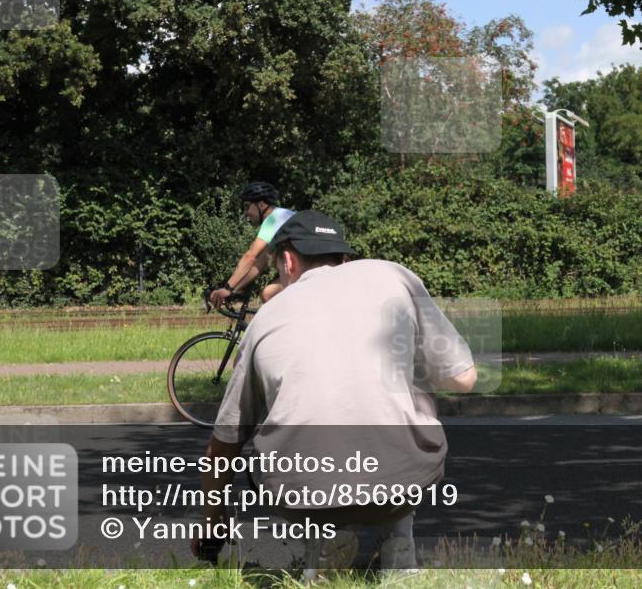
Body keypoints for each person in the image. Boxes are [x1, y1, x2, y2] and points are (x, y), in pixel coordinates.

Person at [192, 210, 478, 576]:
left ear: (288, 261)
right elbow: (464, 379)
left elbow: (222, 446)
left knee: (274, 435)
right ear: (343, 258)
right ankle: (399, 550)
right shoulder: (394, 275)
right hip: (403, 484)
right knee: (406, 391)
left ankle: (321, 543)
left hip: (303, 493)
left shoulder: (265, 319)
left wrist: (212, 525)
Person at [208, 181, 294, 307]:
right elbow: (260, 263)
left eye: (247, 206)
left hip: (310, 269)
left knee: (268, 294)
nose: (245, 213)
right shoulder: (283, 218)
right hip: (314, 267)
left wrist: (227, 287)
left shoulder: (273, 219)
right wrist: (232, 290)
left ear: (261, 205)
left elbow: (250, 256)